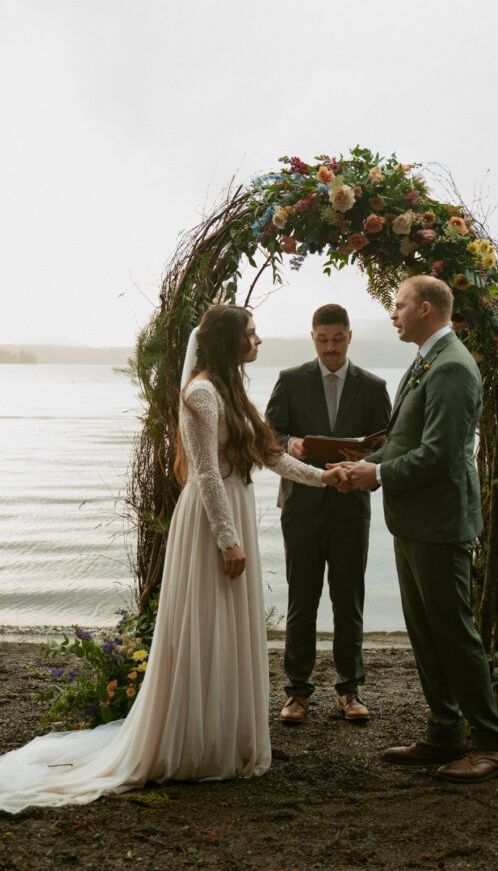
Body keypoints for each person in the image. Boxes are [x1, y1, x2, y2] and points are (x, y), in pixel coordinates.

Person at [0, 305, 347, 813]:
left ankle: (225, 736)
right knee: (206, 626)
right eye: (252, 333)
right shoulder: (202, 393)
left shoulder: (230, 390)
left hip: (235, 508)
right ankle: (195, 743)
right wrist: (228, 541)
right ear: (231, 341)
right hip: (212, 523)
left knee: (230, 628)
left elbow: (268, 454)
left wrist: (324, 477)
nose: (259, 340)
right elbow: (206, 473)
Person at [337, 276, 498, 782]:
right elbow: (402, 440)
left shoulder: (454, 367)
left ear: (428, 308)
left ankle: (492, 743)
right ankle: (445, 731)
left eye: (399, 305)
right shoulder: (424, 362)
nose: (393, 314)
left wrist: (377, 473)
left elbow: (438, 456)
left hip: (440, 523)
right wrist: (363, 466)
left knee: (454, 634)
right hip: (414, 521)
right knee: (424, 631)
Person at [265, 304, 391, 724]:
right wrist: (291, 444)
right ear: (313, 337)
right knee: (301, 598)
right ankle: (297, 693)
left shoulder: (374, 387)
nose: (331, 347)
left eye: (338, 339)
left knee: (348, 598)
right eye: (323, 340)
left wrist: (365, 462)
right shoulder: (290, 380)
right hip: (301, 506)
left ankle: (349, 690)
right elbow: (269, 436)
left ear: (350, 336)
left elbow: (389, 444)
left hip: (352, 506)